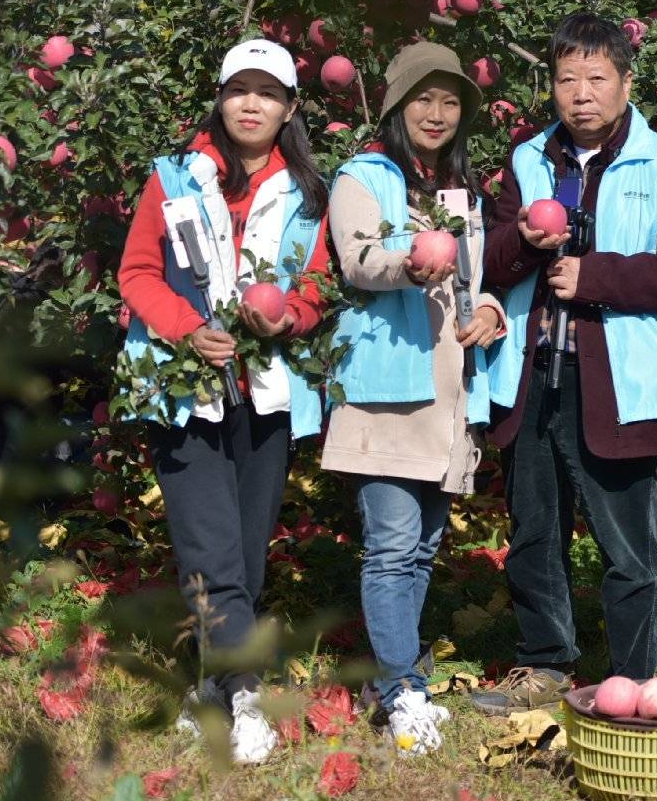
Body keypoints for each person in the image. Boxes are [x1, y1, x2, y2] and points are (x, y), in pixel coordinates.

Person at [474, 12, 657, 713]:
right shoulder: (527, 161)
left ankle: (634, 681)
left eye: (597, 78)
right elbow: (490, 259)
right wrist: (524, 242)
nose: (581, 94)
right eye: (567, 79)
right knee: (534, 529)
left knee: (628, 543)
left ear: (626, 83)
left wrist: (596, 277)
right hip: (531, 369)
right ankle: (545, 662)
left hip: (619, 379)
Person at [117, 38, 331, 765]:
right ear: (220, 98)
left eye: (267, 93)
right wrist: (189, 329)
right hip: (183, 389)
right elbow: (138, 272)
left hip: (265, 391)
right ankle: (246, 695)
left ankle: (210, 685)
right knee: (209, 550)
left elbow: (316, 283)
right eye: (239, 89)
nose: (251, 104)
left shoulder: (308, 193)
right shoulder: (174, 177)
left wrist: (289, 316)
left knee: (243, 554)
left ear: (289, 109)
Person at [322, 41, 501, 755]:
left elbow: (477, 277)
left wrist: (490, 310)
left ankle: (393, 681)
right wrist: (411, 262)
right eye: (423, 99)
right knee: (393, 547)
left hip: (448, 391)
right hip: (388, 389)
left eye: (451, 102)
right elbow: (359, 260)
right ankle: (403, 690)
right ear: (397, 105)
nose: (437, 113)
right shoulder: (362, 177)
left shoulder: (458, 191)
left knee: (422, 549)